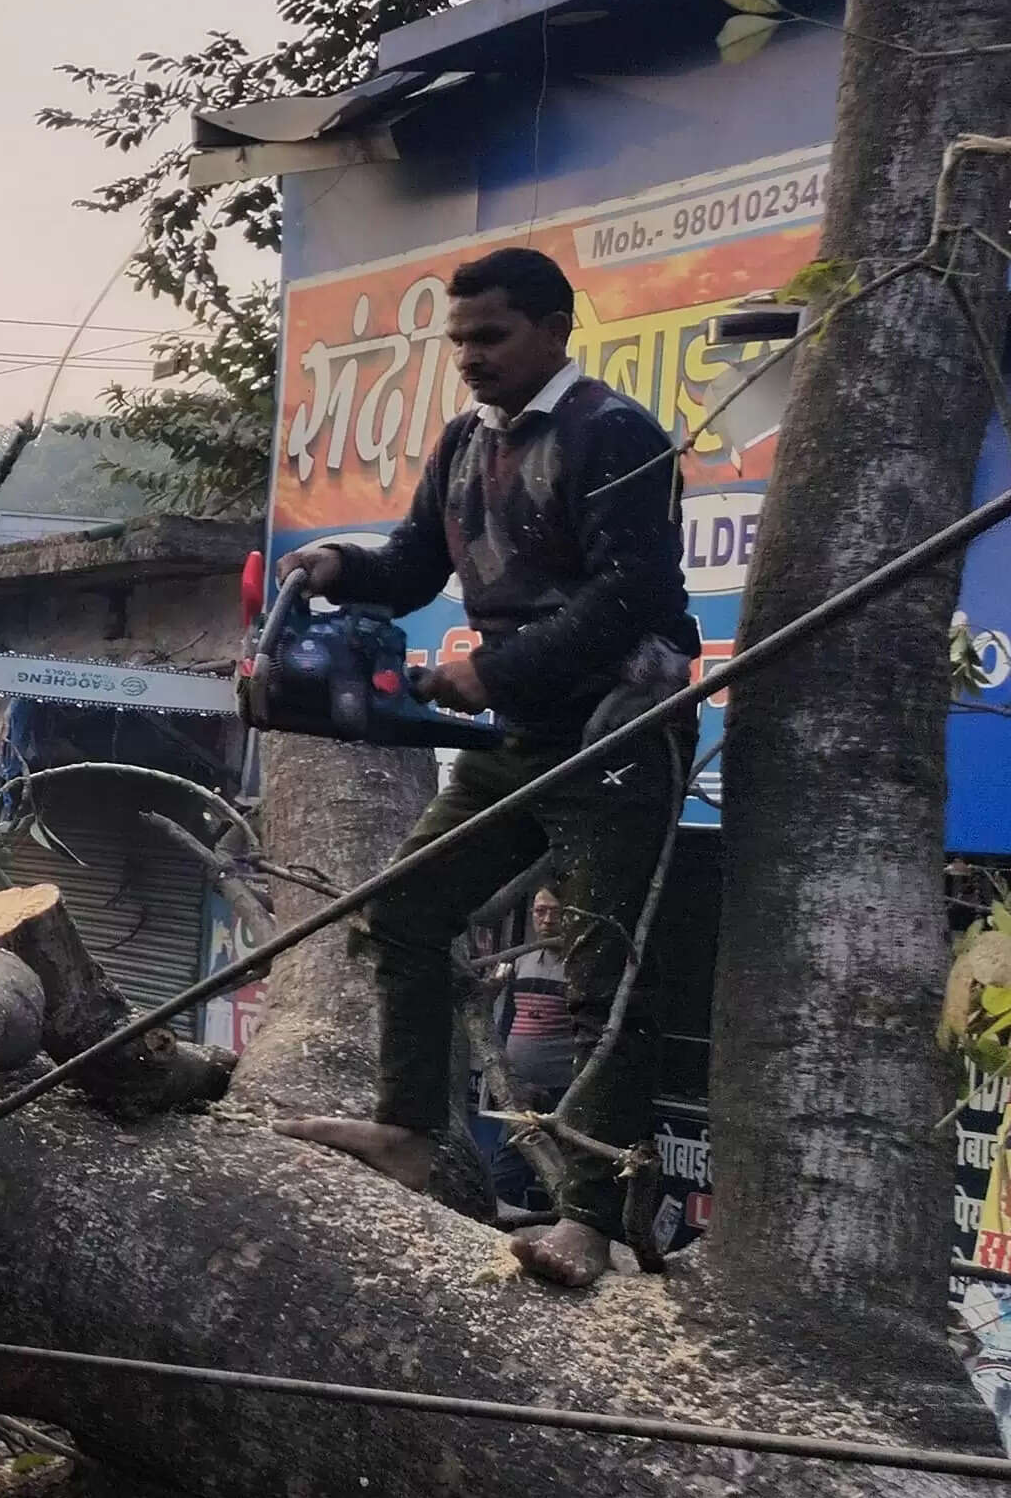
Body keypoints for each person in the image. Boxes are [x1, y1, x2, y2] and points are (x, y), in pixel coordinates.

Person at [269, 245, 698, 1291]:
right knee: (406, 909)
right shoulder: (464, 441)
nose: (468, 358)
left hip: (617, 725)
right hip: (514, 731)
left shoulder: (612, 434)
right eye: (457, 340)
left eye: (489, 337)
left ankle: (587, 1222)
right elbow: (417, 563)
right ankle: (409, 1132)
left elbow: (630, 597)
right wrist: (341, 566)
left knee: (598, 974)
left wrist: (492, 668)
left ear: (553, 329)